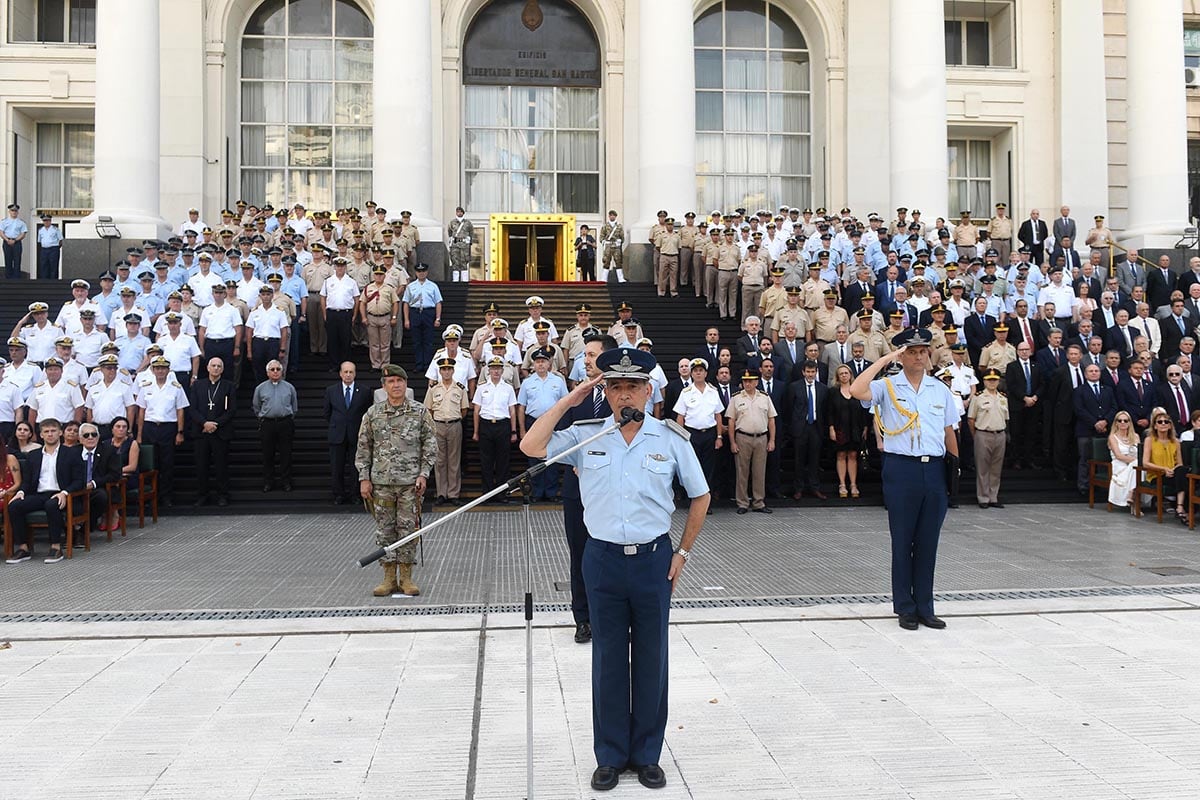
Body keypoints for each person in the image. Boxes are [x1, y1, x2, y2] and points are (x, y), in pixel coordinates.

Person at [519, 346, 709, 792]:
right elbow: (531, 445)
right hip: (601, 560)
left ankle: (646, 755)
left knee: (650, 657)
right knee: (606, 659)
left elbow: (700, 496)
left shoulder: (670, 439)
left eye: (633, 387)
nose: (625, 396)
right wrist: (569, 399)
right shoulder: (587, 436)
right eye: (615, 387)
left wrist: (682, 553)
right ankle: (609, 755)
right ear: (604, 391)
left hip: (653, 561)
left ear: (648, 391)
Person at [849, 328, 959, 630]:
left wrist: (955, 470)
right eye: (912, 351)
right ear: (901, 355)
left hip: (933, 469)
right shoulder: (887, 386)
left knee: (928, 541)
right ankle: (905, 607)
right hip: (901, 469)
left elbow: (949, 430)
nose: (919, 356)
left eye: (923, 351)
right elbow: (857, 391)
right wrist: (885, 359)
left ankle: (925, 605)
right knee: (903, 539)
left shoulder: (939, 389)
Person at [356, 363, 436, 597]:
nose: (396, 385)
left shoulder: (419, 412)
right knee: (384, 531)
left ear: (406, 384)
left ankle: (407, 577)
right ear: (384, 386)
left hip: (410, 484)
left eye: (399, 381)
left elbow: (430, 446)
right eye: (390, 382)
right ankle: (389, 577)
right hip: (381, 483)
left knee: (409, 530)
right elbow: (363, 448)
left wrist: (424, 474)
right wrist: (364, 478)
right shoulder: (373, 414)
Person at [4, 418, 84, 564]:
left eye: (53, 431)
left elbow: (80, 480)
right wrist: (21, 492)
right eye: (46, 432)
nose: (50, 434)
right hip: (39, 494)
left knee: (51, 505)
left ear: (60, 433)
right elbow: (27, 481)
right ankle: (23, 548)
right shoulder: (33, 455)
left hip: (60, 493)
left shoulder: (71, 453)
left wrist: (65, 492)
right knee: (14, 506)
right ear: (41, 435)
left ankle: (56, 547)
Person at [516, 348, 568, 501]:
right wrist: (522, 429)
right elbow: (521, 407)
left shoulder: (558, 381)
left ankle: (551, 493)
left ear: (549, 363)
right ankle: (537, 492)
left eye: (543, 361)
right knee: (534, 458)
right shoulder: (527, 383)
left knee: (552, 455)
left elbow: (564, 403)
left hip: (554, 422)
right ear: (533, 364)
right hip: (534, 421)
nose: (540, 364)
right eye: (537, 362)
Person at [136, 356, 189, 506]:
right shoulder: (146, 386)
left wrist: (180, 432)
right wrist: (139, 434)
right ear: (152, 370)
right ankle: (150, 496)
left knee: (167, 464)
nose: (160, 371)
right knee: (150, 464)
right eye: (157, 368)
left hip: (168, 428)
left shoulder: (176, 387)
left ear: (168, 370)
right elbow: (141, 411)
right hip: (150, 427)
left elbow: (180, 411)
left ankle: (166, 496)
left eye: (163, 368)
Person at [726, 367, 776, 514]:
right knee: (742, 471)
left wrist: (772, 440)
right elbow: (731, 422)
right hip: (743, 437)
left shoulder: (765, 397)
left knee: (759, 471)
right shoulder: (736, 398)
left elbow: (771, 420)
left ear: (756, 382)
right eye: (745, 381)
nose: (747, 384)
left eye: (750, 381)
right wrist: (732, 442)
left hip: (761, 437)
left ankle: (759, 502)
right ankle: (742, 503)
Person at [188, 356, 236, 507]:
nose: (216, 368)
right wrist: (204, 423)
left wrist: (215, 423)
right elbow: (192, 409)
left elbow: (231, 410)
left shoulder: (229, 386)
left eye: (219, 366)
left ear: (222, 369)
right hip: (201, 431)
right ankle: (203, 495)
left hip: (220, 432)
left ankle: (223, 495)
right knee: (201, 465)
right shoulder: (197, 386)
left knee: (221, 465)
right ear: (207, 368)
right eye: (213, 365)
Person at [323, 361, 372, 505]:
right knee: (337, 467)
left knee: (356, 467)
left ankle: (355, 494)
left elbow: (368, 413)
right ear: (340, 373)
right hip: (337, 434)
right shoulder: (331, 390)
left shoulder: (364, 391)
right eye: (346, 372)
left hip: (357, 434)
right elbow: (327, 413)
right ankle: (338, 494)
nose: (348, 375)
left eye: (351, 372)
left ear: (355, 373)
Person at [673, 358, 724, 497]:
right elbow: (680, 416)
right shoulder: (686, 392)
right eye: (695, 371)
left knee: (708, 468)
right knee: (693, 468)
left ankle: (706, 500)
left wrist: (719, 436)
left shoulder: (713, 391)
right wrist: (681, 437)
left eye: (701, 371)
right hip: (692, 434)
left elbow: (718, 415)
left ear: (706, 373)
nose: (698, 373)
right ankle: (693, 498)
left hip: (709, 434)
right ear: (691, 373)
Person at [472, 356, 518, 502]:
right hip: (486, 425)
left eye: (498, 369)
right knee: (486, 461)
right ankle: (487, 493)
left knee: (503, 462)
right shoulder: (481, 388)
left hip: (503, 425)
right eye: (493, 369)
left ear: (502, 370)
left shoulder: (508, 388)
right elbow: (476, 411)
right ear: (488, 371)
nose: (496, 371)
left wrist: (513, 431)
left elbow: (512, 411)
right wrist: (475, 431)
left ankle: (501, 493)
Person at [427, 356, 470, 506]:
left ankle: (453, 494)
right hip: (438, 425)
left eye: (448, 369)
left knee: (453, 460)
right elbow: (429, 409)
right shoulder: (433, 389)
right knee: (439, 461)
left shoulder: (460, 388)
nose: (446, 372)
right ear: (440, 371)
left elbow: (464, 409)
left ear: (453, 371)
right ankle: (441, 493)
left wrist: (453, 418)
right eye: (443, 369)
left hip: (454, 424)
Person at [252, 360, 298, 492]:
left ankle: (286, 481)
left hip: (285, 423)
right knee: (267, 454)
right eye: (272, 369)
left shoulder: (289, 387)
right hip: (268, 424)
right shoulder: (260, 388)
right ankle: (268, 482)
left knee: (286, 454)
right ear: (267, 372)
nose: (275, 372)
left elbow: (294, 407)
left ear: (282, 371)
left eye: (278, 369)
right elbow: (256, 406)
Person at [967, 368, 1009, 508]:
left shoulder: (1003, 398)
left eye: (995, 380)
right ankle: (983, 497)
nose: (992, 383)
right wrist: (976, 435)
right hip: (983, 433)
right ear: (984, 381)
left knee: (996, 468)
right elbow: (971, 419)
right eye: (989, 380)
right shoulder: (978, 397)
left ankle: (993, 497)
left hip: (999, 434)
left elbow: (1006, 418)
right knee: (983, 468)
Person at [788, 359, 828, 500]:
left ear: (816, 372)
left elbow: (824, 409)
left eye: (813, 372)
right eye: (808, 372)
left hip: (816, 427)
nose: (810, 374)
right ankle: (798, 488)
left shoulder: (822, 388)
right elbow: (789, 407)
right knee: (799, 459)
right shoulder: (794, 387)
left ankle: (814, 487)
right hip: (800, 427)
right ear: (803, 372)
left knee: (815, 459)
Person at [828, 363, 869, 498]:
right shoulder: (833, 391)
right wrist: (831, 428)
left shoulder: (857, 390)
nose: (844, 376)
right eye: (841, 374)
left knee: (852, 455)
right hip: (840, 428)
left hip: (855, 428)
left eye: (846, 373)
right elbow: (830, 412)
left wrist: (865, 427)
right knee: (840, 455)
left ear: (851, 375)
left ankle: (853, 484)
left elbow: (864, 410)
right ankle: (842, 484)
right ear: (838, 377)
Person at [77, 422, 121, 537]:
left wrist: (94, 483)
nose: (90, 437)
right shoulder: (74, 452)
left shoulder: (109, 451)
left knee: (101, 496)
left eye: (94, 434)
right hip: (78, 488)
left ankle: (86, 526)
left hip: (99, 487)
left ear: (98, 436)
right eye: (86, 435)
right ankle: (72, 529)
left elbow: (115, 474)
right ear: (80, 439)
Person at [1144, 406, 1187, 522]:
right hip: (1157, 475)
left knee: (1182, 471)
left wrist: (1172, 470)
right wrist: (1164, 469)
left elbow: (1180, 463)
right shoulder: (1150, 440)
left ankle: (1179, 507)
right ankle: (1181, 508)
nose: (1163, 424)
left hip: (1173, 473)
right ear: (1155, 425)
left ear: (1170, 425)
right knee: (1183, 479)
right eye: (1160, 422)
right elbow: (1145, 463)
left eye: (1166, 422)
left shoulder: (1176, 442)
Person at [100, 416, 139, 531]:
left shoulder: (132, 443)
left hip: (127, 476)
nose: (121, 429)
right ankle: (105, 513)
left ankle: (114, 514)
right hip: (110, 476)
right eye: (118, 426)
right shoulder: (104, 444)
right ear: (112, 429)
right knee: (104, 482)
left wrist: (115, 471)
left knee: (113, 483)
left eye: (124, 427)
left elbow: (132, 466)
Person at [320, 256, 359, 371]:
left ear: (345, 267)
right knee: (332, 340)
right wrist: (325, 314)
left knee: (346, 340)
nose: (340, 268)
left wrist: (354, 315)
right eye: (338, 266)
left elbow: (356, 299)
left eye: (342, 266)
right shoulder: (328, 281)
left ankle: (345, 366)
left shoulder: (351, 281)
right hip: (331, 313)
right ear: (334, 267)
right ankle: (334, 365)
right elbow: (323, 297)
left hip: (346, 314)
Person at [402, 263, 443, 373]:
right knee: (416, 341)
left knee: (428, 341)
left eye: (423, 271)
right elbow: (406, 303)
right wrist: (406, 319)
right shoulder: (411, 286)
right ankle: (419, 364)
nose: (421, 273)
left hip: (428, 312)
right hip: (415, 312)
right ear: (416, 273)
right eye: (419, 271)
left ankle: (428, 364)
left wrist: (437, 318)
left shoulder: (433, 286)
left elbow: (438, 302)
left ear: (427, 272)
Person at [359, 265, 398, 370]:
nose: (379, 276)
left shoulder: (389, 288)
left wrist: (394, 317)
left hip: (385, 317)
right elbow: (362, 303)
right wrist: (363, 317)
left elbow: (395, 303)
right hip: (371, 317)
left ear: (384, 276)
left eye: (381, 274)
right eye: (377, 274)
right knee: (374, 344)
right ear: (373, 275)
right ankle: (375, 365)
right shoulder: (368, 288)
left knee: (385, 344)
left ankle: (385, 365)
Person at [1107, 411, 1139, 512]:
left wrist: (1135, 461)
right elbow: (1118, 455)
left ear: (1129, 423)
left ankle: (1131, 493)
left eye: (1125, 420)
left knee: (1137, 467)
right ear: (1116, 423)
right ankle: (1134, 498)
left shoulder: (1136, 436)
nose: (1122, 423)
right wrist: (1135, 460)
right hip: (1119, 465)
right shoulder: (1113, 437)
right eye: (1119, 420)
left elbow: (1138, 453)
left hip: (1133, 465)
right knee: (1137, 465)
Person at [447, 206, 474, 282]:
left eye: (460, 212)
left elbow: (471, 232)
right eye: (458, 212)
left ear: (463, 213)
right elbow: (449, 232)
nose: (459, 213)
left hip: (464, 245)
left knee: (464, 261)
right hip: (455, 245)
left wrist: (469, 241)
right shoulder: (452, 222)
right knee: (455, 261)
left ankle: (464, 279)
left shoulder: (468, 223)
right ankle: (455, 279)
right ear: (456, 213)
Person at [2, 203, 27, 279]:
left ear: (18, 212)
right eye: (12, 210)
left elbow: (23, 233)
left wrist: (15, 240)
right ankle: (8, 278)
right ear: (9, 211)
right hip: (7, 242)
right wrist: (7, 240)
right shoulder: (4, 221)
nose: (14, 212)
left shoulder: (21, 222)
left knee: (17, 260)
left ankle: (16, 278)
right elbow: (1, 232)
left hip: (17, 242)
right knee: (8, 259)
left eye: (15, 211)